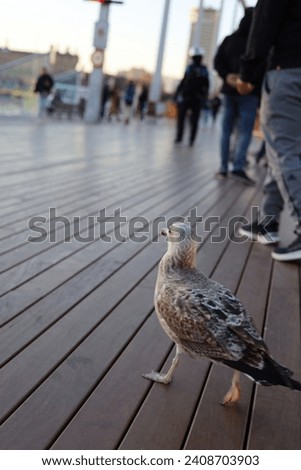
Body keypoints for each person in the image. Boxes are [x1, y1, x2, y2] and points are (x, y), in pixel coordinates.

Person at [237, 0, 301, 261]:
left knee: (283, 152)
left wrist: (248, 71)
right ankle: (269, 221)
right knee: (285, 151)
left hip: (287, 72)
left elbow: (264, 23)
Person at [214, 7, 261, 185]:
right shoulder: (256, 43)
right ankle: (238, 167)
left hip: (229, 91)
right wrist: (248, 81)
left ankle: (223, 167)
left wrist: (227, 76)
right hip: (248, 92)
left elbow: (217, 61)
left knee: (226, 130)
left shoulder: (229, 40)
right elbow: (262, 65)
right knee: (244, 131)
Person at [174, 46, 209, 146]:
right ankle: (180, 137)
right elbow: (183, 81)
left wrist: (204, 98)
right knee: (181, 118)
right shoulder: (190, 68)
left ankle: (191, 139)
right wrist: (177, 94)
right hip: (187, 97)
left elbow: (206, 85)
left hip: (196, 98)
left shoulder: (203, 70)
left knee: (194, 120)